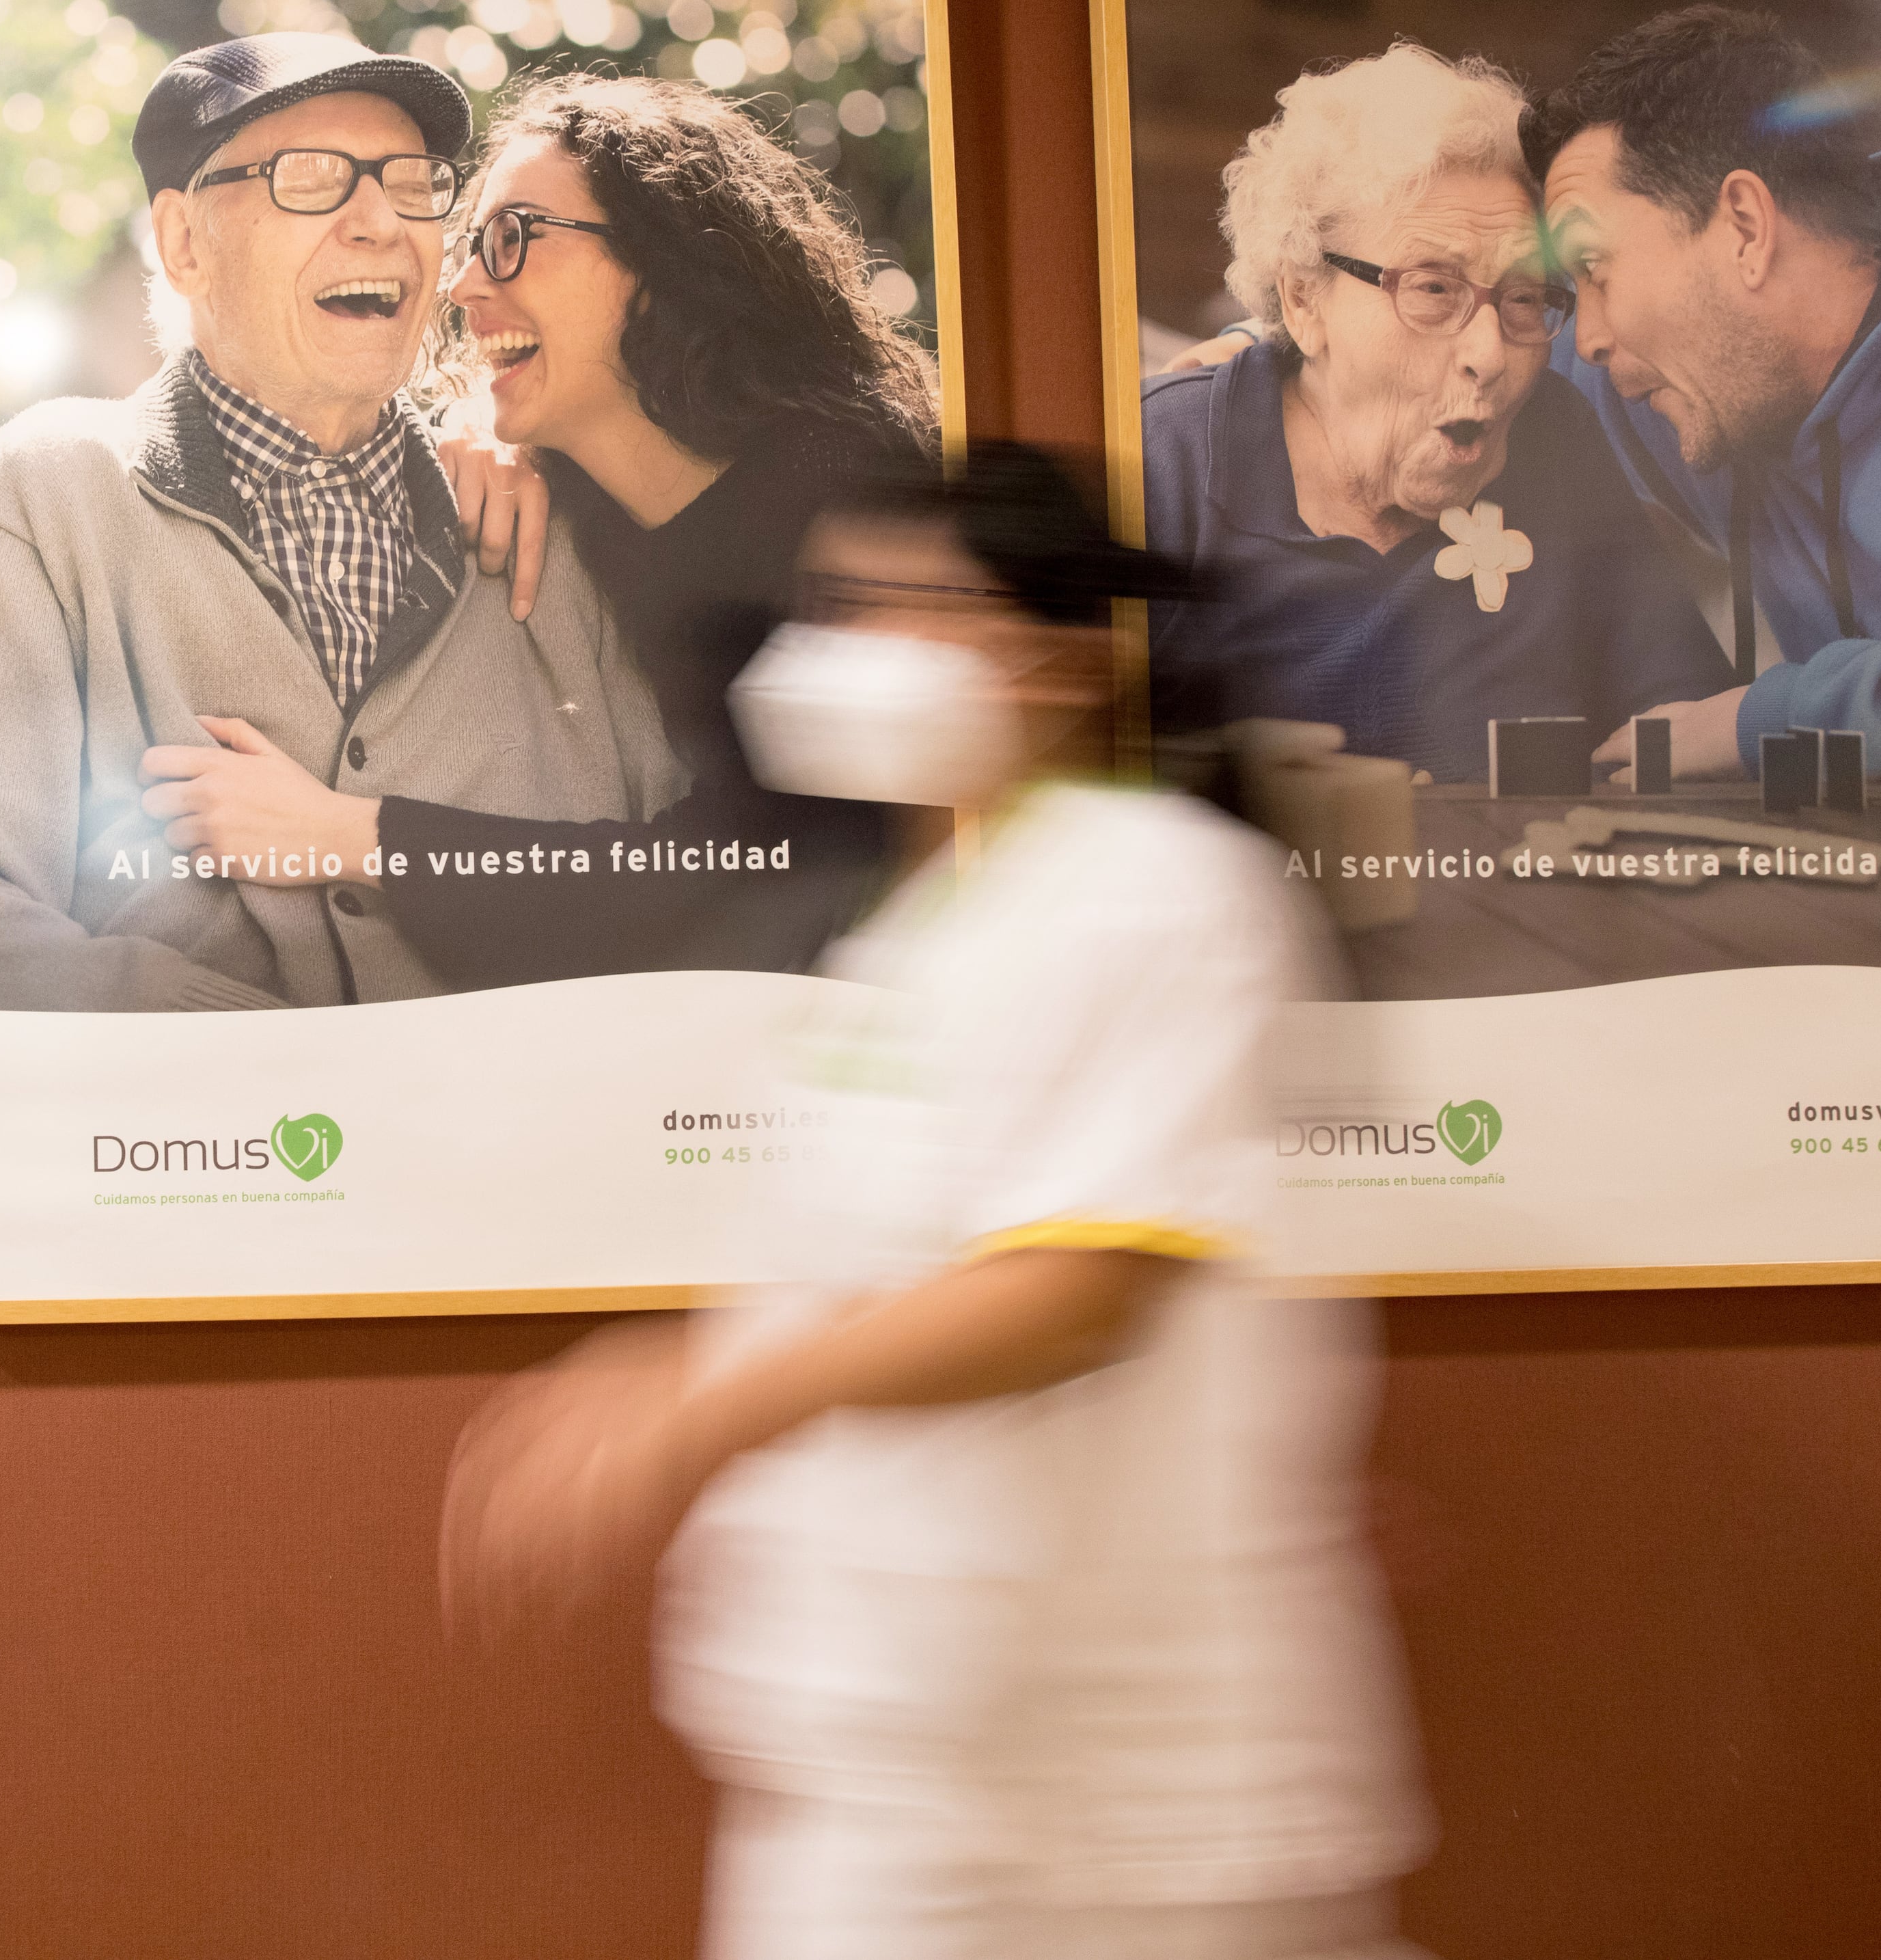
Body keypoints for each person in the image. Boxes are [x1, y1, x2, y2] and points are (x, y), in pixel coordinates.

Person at [443, 445, 1431, 1960]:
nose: (838, 649)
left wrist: (695, 1410)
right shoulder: (932, 924)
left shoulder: (1153, 892)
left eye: (896, 605)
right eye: (834, 603)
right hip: (918, 1745)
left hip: (1107, 1786)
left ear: (1055, 663)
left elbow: (1077, 1284)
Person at [139, 74, 926, 987]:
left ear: (668, 258)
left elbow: (747, 878)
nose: (465, 285)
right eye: (473, 245)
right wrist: (477, 432)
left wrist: (346, 834)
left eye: (515, 239)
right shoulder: (567, 500)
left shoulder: (856, 500)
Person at [0, 33, 677, 1012]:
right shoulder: (47, 493)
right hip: (182, 1156)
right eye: (313, 179)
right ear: (183, 243)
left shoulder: (550, 515)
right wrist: (268, 1072)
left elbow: (684, 894)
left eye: (413, 181)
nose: (382, 221)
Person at [1139, 40, 1732, 781]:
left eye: (1521, 297)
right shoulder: (1164, 464)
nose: (1488, 352)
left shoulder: (1554, 437)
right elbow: (1056, 779)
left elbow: (1682, 725)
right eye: (1430, 290)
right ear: (1301, 298)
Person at [1526, 5, 1881, 783]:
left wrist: (1754, 719)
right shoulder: (1659, 378)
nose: (1587, 337)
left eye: (1593, 268)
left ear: (1742, 227)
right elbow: (1453, 344)